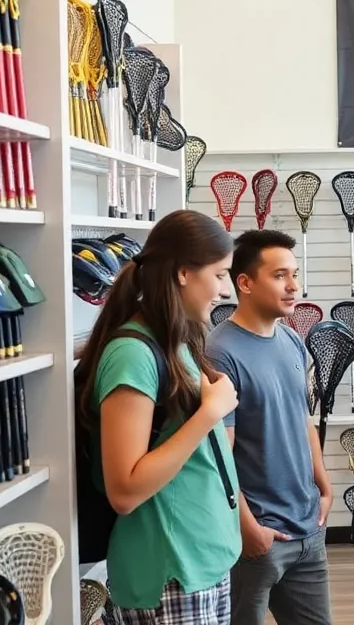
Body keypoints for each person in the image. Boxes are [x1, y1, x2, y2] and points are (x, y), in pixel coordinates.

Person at [76, 209, 242, 624]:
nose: (224, 290)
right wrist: (209, 414)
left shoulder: (175, 340)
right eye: (219, 275)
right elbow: (125, 490)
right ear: (185, 273)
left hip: (202, 561)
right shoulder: (132, 353)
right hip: (170, 572)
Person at [207, 230, 333, 625]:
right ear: (244, 282)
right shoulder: (219, 352)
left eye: (294, 274)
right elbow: (219, 456)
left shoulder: (292, 341)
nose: (294, 285)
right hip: (259, 537)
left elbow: (302, 419)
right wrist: (248, 529)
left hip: (308, 528)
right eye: (280, 275)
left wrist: (325, 488)